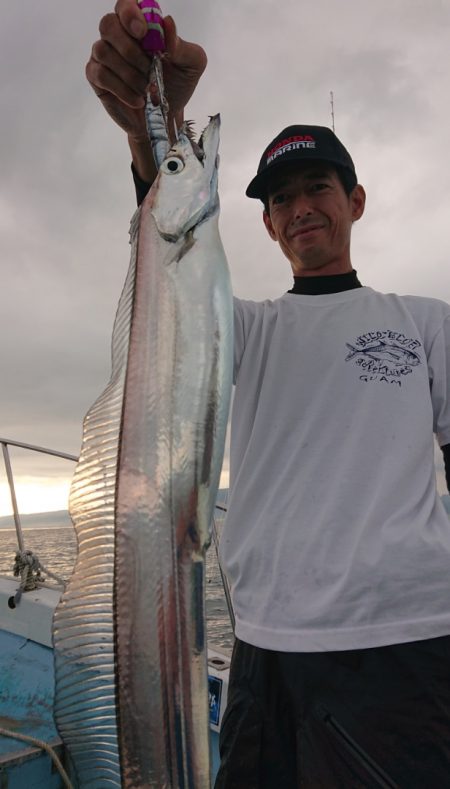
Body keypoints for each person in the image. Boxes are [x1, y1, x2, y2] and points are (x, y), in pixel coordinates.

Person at [87, 3, 450, 786]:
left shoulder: (425, 324)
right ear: (265, 226)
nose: (299, 208)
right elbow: (172, 292)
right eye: (280, 200)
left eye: (317, 186)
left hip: (401, 646)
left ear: (356, 200)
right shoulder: (242, 329)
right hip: (262, 651)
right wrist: (154, 139)